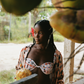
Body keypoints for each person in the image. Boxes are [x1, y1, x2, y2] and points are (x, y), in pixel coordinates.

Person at [16, 20, 64, 84]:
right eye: (35, 32)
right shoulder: (25, 51)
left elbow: (59, 79)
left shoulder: (56, 55)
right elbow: (18, 73)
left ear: (48, 33)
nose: (36, 36)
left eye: (40, 33)